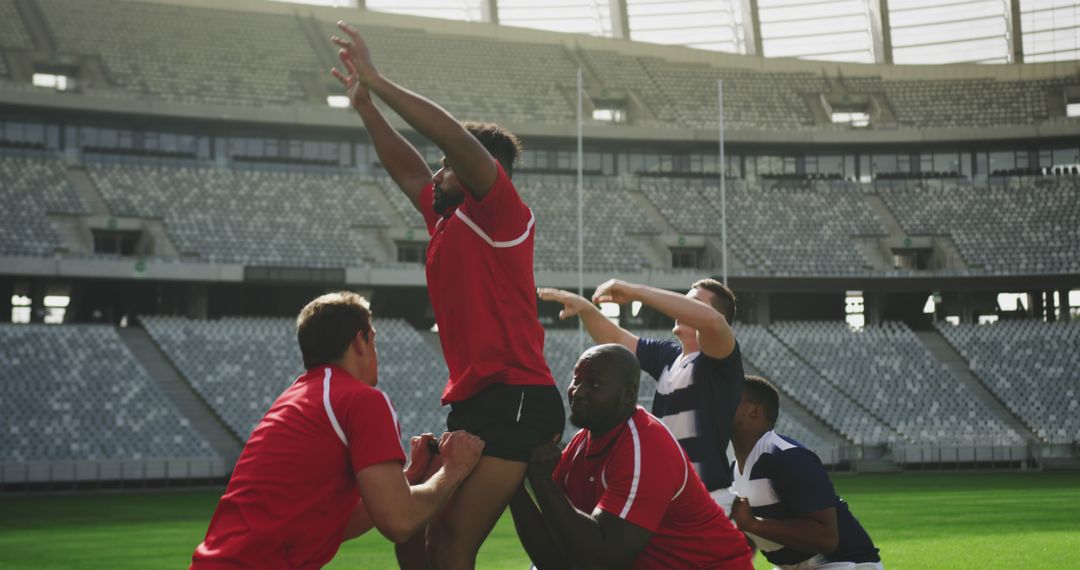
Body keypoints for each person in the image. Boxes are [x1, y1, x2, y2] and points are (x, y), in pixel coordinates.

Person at [331, 22, 564, 569]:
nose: (436, 172)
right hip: (477, 397)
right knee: (421, 536)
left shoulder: (503, 212)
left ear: (482, 172)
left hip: (517, 395)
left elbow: (454, 141)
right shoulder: (449, 219)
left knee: (452, 542)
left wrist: (380, 80)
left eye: (447, 167)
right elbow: (408, 167)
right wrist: (366, 107)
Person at [190, 292, 484, 569]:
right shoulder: (362, 400)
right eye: (373, 341)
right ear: (359, 342)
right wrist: (455, 468)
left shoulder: (296, 397)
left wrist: (407, 479)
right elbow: (399, 522)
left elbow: (332, 524)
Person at [509, 344, 753, 569]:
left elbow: (602, 559)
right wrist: (512, 484)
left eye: (594, 385)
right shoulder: (578, 448)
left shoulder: (645, 446)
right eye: (577, 379)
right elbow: (552, 560)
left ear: (628, 394)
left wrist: (542, 481)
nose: (578, 392)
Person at [538, 278, 744, 513]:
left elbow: (712, 321)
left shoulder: (719, 361)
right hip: (668, 500)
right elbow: (617, 340)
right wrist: (585, 308)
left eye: (691, 303)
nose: (679, 308)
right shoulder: (669, 357)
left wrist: (636, 291)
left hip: (710, 502)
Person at [729, 375, 882, 570]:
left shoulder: (788, 456)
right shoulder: (734, 468)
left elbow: (827, 538)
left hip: (844, 562)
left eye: (727, 397)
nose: (716, 404)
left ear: (754, 411)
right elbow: (747, 532)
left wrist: (754, 524)